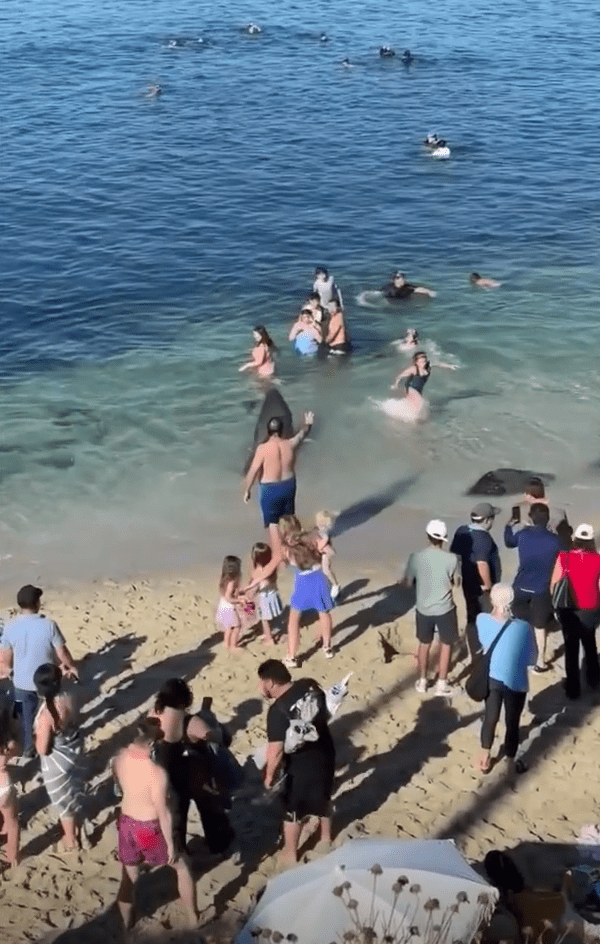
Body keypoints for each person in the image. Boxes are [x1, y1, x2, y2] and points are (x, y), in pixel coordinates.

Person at [113, 719, 199, 931]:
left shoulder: (119, 758)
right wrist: (170, 845)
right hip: (148, 827)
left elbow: (119, 789)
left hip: (126, 823)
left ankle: (126, 925)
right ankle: (193, 918)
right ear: (151, 745)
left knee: (129, 877)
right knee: (182, 866)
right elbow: (163, 812)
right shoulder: (157, 773)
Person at [258, 659, 335, 866]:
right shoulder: (309, 685)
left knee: (293, 809)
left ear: (271, 683)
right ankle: (326, 838)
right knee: (324, 794)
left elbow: (275, 751)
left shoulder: (277, 711)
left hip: (300, 762)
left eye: (261, 682)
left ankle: (290, 853)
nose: (260, 687)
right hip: (326, 750)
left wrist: (269, 778)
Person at [148, 679, 235, 856]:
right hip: (190, 770)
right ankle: (218, 843)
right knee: (208, 806)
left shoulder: (153, 713)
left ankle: (178, 850)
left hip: (162, 768)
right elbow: (214, 739)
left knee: (175, 814)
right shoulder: (189, 720)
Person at [0, 586, 78, 758]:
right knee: (50, 708)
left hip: (21, 682)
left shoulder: (10, 627)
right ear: (37, 603)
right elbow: (62, 652)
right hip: (46, 679)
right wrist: (70, 666)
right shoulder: (49, 625)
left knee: (26, 716)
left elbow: (5, 660)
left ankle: (29, 746)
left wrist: (11, 672)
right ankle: (50, 737)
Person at [476, 584, 537, 774]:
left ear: (492, 600)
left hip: (492, 678)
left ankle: (484, 758)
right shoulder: (524, 627)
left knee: (490, 718)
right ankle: (510, 761)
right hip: (516, 681)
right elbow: (531, 659)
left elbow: (484, 642)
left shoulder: (482, 620)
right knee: (512, 722)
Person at [403, 519, 461, 695]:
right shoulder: (452, 558)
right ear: (444, 539)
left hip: (423, 608)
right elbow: (457, 583)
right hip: (445, 608)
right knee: (446, 645)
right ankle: (442, 684)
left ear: (427, 536)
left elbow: (407, 583)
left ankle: (422, 681)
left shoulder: (416, 557)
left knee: (424, 644)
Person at [243, 411, 314, 548]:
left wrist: (247, 490)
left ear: (268, 431)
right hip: (288, 485)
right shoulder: (290, 443)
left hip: (269, 488)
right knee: (288, 519)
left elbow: (253, 470)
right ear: (281, 430)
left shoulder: (262, 449)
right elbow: (302, 434)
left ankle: (277, 550)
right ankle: (292, 546)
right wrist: (308, 424)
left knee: (272, 523)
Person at [33, 664, 85, 852]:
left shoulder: (47, 715)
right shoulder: (71, 693)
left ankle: (71, 840)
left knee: (63, 802)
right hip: (75, 749)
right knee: (73, 790)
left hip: (57, 762)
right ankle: (77, 826)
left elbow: (41, 748)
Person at [504, 503, 560, 672]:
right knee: (540, 626)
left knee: (519, 622)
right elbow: (566, 551)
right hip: (541, 589)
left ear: (530, 518)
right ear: (548, 519)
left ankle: (518, 657)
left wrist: (509, 525)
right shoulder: (554, 540)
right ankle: (540, 662)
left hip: (521, 586)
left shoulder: (522, 534)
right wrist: (554, 531)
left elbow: (508, 542)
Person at [549, 524, 600, 700]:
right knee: (590, 643)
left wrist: (554, 604)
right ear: (592, 540)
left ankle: (573, 689)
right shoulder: (598, 559)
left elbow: (554, 583)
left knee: (571, 648)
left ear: (575, 539)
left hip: (568, 608)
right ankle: (593, 680)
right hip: (591, 606)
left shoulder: (564, 557)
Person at [279, 516, 334, 667]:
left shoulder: (285, 547)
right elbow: (327, 549)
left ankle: (291, 656)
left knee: (294, 620)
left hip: (302, 581)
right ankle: (327, 647)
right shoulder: (311, 538)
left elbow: (283, 565)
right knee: (324, 613)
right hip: (318, 578)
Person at [451, 503, 502, 654]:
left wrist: (457, 576)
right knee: (488, 616)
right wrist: (487, 585)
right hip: (482, 587)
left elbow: (455, 556)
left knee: (472, 616)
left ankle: (474, 650)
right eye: (492, 518)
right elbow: (482, 564)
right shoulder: (483, 538)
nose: (493, 522)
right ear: (486, 520)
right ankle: (486, 649)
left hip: (467, 582)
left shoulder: (462, 531)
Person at [513, 477, 572, 550]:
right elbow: (567, 541)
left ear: (528, 496)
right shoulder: (560, 511)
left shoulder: (519, 510)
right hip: (555, 552)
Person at [244, 542, 284, 644]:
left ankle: (269, 638)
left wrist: (248, 596)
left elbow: (255, 586)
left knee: (264, 619)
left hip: (265, 598)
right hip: (273, 594)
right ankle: (269, 633)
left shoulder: (258, 572)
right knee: (268, 616)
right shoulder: (271, 569)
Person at [0, 701, 20, 868]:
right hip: (3, 786)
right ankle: (11, 856)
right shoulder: (8, 742)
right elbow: (15, 749)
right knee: (11, 821)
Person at [215, 556, 247, 651]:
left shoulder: (224, 579)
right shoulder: (232, 582)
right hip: (229, 607)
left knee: (228, 628)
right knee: (237, 627)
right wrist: (239, 600)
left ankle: (226, 644)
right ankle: (233, 646)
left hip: (223, 605)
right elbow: (229, 598)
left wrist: (239, 594)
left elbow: (227, 595)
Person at [314, 510, 340, 599]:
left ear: (325, 524)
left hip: (327, 553)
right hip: (323, 552)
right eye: (317, 521)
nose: (317, 523)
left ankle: (335, 585)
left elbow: (324, 541)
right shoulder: (320, 530)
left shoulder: (324, 532)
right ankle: (327, 586)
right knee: (318, 568)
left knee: (326, 570)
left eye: (320, 522)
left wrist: (318, 548)